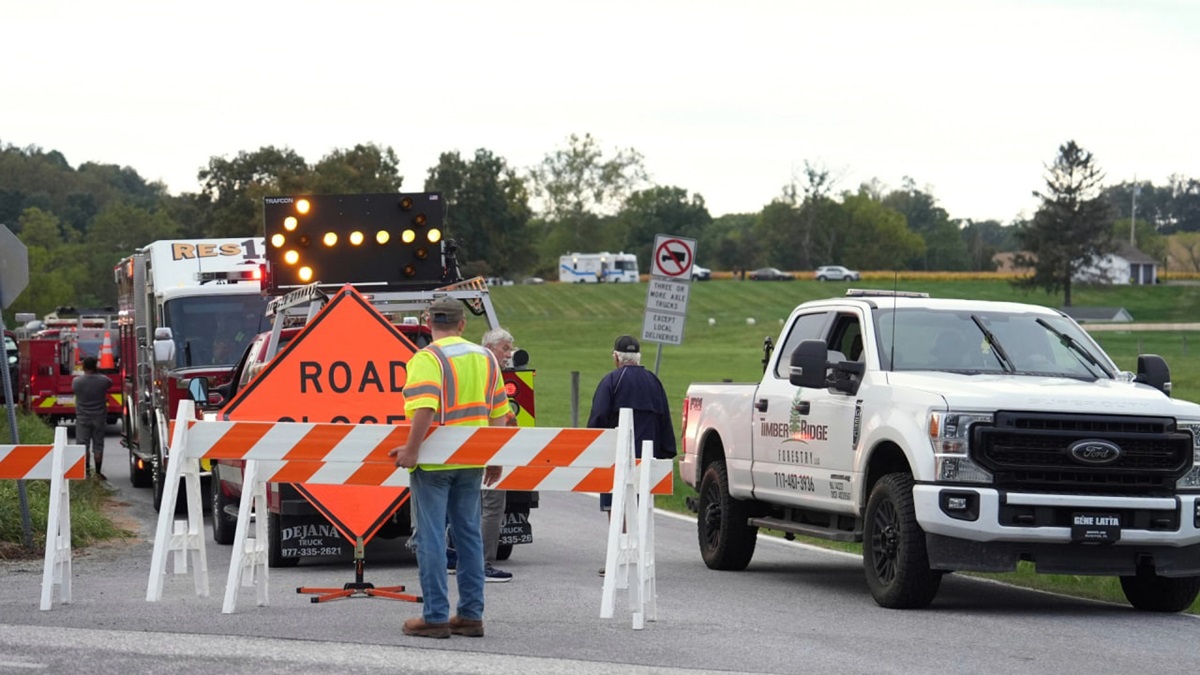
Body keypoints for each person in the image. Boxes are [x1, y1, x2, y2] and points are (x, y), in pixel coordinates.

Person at [388, 296, 509, 639]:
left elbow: (425, 407)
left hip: (434, 464)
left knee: (430, 537)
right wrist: (493, 456)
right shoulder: (486, 357)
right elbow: (499, 412)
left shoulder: (428, 358)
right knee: (468, 536)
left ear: (428, 323)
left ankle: (435, 616)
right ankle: (470, 615)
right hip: (471, 461)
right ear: (462, 324)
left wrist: (412, 450)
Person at [587, 335, 676, 574]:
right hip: (647, 455)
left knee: (616, 507)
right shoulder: (654, 382)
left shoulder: (612, 381)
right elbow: (665, 419)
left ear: (616, 357)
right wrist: (665, 452)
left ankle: (620, 556)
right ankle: (637, 555)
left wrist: (592, 448)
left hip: (617, 456)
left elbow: (599, 417)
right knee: (639, 505)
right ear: (638, 357)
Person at [446, 327, 516, 583]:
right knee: (492, 506)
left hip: (463, 447)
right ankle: (480, 564)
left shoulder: (467, 369)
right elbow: (500, 412)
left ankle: (455, 556)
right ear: (489, 348)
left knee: (464, 506)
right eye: (505, 348)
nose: (509, 354)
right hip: (486, 445)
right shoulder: (490, 372)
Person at [72, 356, 112, 480]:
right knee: (98, 445)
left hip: (83, 417)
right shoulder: (103, 381)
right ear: (95, 366)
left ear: (83, 367)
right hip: (99, 417)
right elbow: (110, 383)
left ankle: (87, 472)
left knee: (83, 445)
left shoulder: (77, 382)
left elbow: (74, 390)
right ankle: (98, 473)